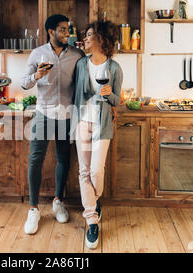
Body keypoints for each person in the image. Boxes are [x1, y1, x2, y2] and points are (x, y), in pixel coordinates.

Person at [21, 14, 85, 235]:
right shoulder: (38, 54)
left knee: (63, 158)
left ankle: (58, 200)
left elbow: (82, 83)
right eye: (63, 29)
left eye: (68, 28)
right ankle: (33, 209)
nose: (67, 32)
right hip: (43, 113)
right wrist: (36, 75)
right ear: (51, 31)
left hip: (67, 114)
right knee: (35, 159)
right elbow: (24, 82)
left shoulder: (77, 55)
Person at [70, 21, 122, 249]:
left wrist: (110, 95)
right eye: (86, 34)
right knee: (84, 171)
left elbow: (117, 100)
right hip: (82, 121)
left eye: (90, 35)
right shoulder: (81, 64)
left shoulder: (115, 68)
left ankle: (94, 198)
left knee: (95, 170)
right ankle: (92, 220)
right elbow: (76, 94)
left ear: (103, 39)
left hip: (102, 124)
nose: (86, 38)